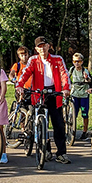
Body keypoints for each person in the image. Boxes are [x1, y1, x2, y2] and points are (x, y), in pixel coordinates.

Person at [16, 36, 72, 164]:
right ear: (36, 49)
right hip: (39, 94)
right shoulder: (33, 60)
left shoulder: (57, 59)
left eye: (44, 45)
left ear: (48, 46)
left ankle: (61, 153)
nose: (42, 48)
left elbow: (64, 74)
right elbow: (25, 73)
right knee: (41, 124)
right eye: (39, 46)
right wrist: (19, 85)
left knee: (59, 124)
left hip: (55, 93)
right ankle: (45, 150)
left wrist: (66, 88)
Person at [69, 53, 92, 140]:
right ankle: (71, 130)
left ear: (82, 62)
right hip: (75, 94)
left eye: (78, 61)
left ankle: (84, 131)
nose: (76, 63)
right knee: (73, 114)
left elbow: (89, 80)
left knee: (84, 113)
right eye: (74, 61)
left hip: (83, 95)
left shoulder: (84, 71)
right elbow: (67, 77)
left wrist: (86, 78)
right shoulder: (72, 69)